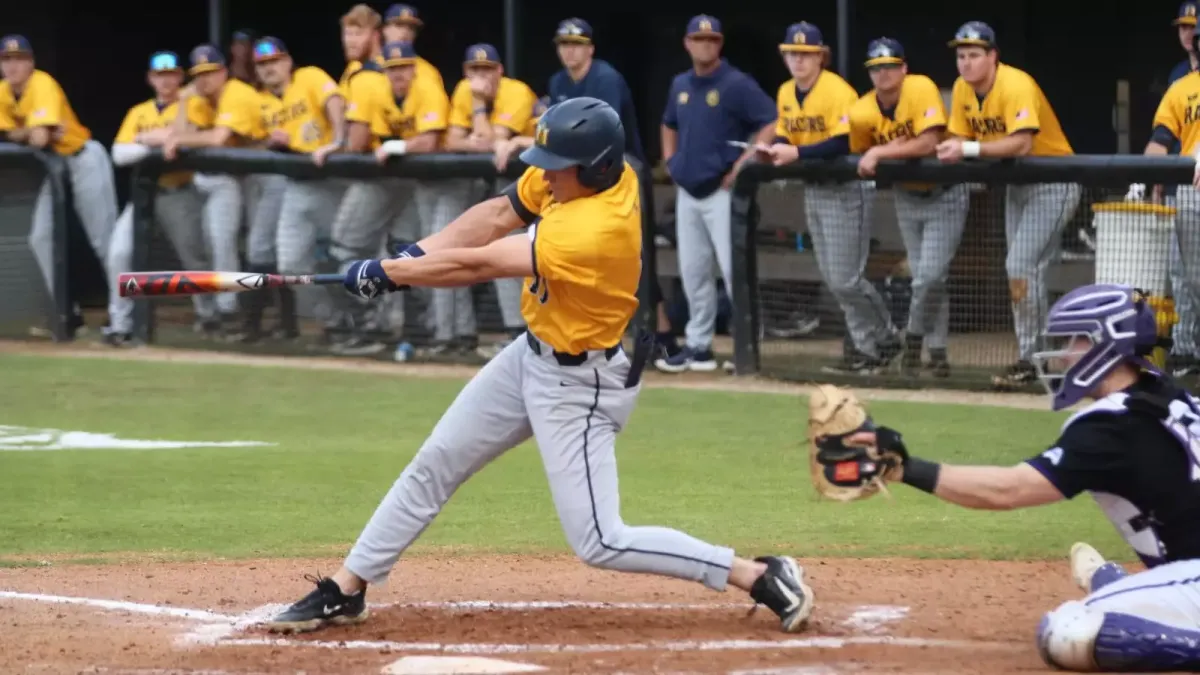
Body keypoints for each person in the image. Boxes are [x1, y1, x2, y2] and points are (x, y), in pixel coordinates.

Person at [263, 98, 813, 637]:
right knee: (437, 461)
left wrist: (389, 272)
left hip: (583, 383)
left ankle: (759, 574)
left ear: (593, 169)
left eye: (557, 170)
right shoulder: (577, 173)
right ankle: (347, 587)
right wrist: (410, 257)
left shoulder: (595, 228)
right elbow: (497, 215)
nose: (545, 178)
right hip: (531, 355)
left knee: (601, 540)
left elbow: (480, 262)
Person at [830, 283, 1200, 672]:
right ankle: (1114, 584)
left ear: (1103, 344)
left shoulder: (1108, 426)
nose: (1060, 356)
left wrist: (905, 468)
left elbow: (1008, 490)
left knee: (1067, 630)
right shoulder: (1171, 396)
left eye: (1072, 340)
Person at [937, 21, 1081, 390]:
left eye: (974, 55)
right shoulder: (962, 89)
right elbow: (959, 134)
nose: (966, 63)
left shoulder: (1016, 83)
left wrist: (968, 150)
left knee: (1019, 266)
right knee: (1029, 273)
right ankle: (1039, 357)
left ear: (993, 56)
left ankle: (1032, 358)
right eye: (961, 56)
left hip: (1054, 184)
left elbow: (1021, 144)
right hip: (1016, 189)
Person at [758, 22, 899, 376]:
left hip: (847, 188)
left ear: (821, 56)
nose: (799, 61)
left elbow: (842, 143)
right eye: (793, 54)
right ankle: (868, 351)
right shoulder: (787, 91)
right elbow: (785, 134)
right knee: (835, 279)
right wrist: (774, 148)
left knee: (846, 279)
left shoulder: (838, 90)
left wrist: (797, 155)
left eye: (807, 54)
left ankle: (887, 338)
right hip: (815, 190)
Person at [546, 18, 681, 360]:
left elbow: (601, 132)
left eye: (576, 44)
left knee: (635, 259)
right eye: (564, 44)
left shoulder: (605, 78)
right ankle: (636, 336)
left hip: (623, 173)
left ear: (590, 48)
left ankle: (660, 337)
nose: (570, 51)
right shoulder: (558, 81)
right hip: (583, 177)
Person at [654, 15, 776, 374]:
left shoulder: (735, 83)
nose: (704, 45)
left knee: (732, 269)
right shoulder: (680, 83)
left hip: (722, 191)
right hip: (689, 192)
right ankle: (699, 347)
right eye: (698, 39)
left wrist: (742, 165)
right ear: (687, 43)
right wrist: (670, 160)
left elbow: (770, 121)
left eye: (711, 40)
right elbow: (668, 122)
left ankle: (747, 347)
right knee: (693, 272)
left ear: (719, 44)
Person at [848, 38, 968, 379]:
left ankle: (913, 344)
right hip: (906, 198)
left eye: (889, 66)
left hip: (945, 194)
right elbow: (860, 154)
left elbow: (929, 142)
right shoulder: (861, 111)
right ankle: (940, 353)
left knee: (927, 278)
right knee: (929, 280)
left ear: (904, 68)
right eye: (876, 68)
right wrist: (892, 149)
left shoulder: (921, 87)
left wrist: (884, 151)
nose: (883, 74)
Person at [327, 41, 451, 355]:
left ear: (414, 68)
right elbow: (357, 143)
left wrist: (399, 147)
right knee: (353, 247)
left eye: (404, 68)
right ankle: (372, 326)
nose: (398, 75)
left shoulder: (428, 89)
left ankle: (422, 333)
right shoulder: (375, 91)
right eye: (392, 69)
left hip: (433, 183)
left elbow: (431, 140)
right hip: (390, 181)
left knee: (415, 254)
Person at [0, 35, 118, 339]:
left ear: (31, 63)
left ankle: (126, 319)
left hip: (82, 158)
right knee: (39, 238)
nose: (13, 65)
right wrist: (29, 133)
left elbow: (39, 139)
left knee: (105, 241)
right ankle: (67, 314)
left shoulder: (43, 84)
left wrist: (20, 133)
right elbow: (34, 136)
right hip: (54, 168)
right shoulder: (2, 92)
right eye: (7, 59)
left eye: (20, 59)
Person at [164, 44, 283, 340]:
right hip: (244, 177)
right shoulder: (201, 99)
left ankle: (276, 320)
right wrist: (182, 101)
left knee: (264, 247)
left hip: (272, 176)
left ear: (223, 72)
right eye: (199, 75)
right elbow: (176, 133)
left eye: (211, 72)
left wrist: (182, 140)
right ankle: (241, 316)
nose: (204, 80)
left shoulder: (236, 93)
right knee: (239, 244)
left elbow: (217, 138)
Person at [106, 51, 218, 345]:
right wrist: (154, 143)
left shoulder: (193, 104)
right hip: (144, 195)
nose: (166, 80)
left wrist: (147, 139)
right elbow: (119, 154)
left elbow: (187, 135)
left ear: (180, 77)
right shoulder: (139, 111)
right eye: (160, 75)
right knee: (119, 254)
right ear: (150, 79)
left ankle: (210, 317)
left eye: (171, 74)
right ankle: (121, 324)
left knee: (194, 257)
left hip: (178, 191)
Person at [251, 37, 347, 342]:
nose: (270, 69)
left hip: (334, 180)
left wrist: (339, 140)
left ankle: (368, 324)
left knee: (347, 255)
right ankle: (333, 322)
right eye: (263, 64)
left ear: (288, 61)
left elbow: (335, 100)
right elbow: (247, 141)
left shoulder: (309, 76)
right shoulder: (261, 101)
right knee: (290, 265)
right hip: (297, 184)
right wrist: (269, 143)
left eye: (275, 61)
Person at [445, 43, 538, 358]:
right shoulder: (463, 91)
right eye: (474, 70)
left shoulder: (517, 91)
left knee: (526, 256)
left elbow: (488, 139)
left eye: (487, 69)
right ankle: (516, 333)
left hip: (538, 180)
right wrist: (479, 140)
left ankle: (530, 333)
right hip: (502, 181)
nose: (480, 76)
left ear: (500, 71)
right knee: (499, 252)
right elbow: (452, 140)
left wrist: (480, 109)